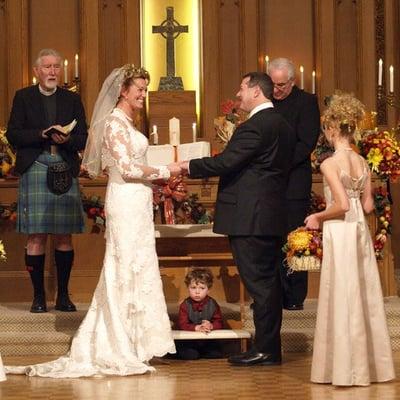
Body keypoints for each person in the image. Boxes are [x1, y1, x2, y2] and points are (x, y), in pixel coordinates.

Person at [5, 64, 178, 378]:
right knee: (123, 266)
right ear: (122, 90)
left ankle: (137, 342)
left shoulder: (128, 122)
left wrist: (156, 182)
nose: (143, 94)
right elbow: (126, 169)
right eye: (138, 88)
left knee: (139, 264)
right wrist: (170, 170)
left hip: (137, 201)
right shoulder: (114, 123)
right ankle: (116, 341)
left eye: (144, 88)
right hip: (124, 200)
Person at [179, 72, 294, 366]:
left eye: (242, 87)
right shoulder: (282, 124)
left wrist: (185, 166)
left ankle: (266, 350)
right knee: (267, 283)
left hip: (250, 217)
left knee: (261, 286)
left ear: (256, 91)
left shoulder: (254, 127)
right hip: (268, 215)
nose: (239, 93)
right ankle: (269, 347)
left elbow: (226, 162)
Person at [305, 92, 395, 386]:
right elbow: (367, 206)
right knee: (363, 293)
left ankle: (345, 370)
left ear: (331, 129)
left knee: (342, 294)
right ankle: (372, 368)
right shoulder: (361, 161)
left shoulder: (330, 164)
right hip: (359, 231)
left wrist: (317, 217)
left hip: (342, 230)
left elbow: (341, 204)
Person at [6, 48, 88, 313]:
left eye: (56, 67)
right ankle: (38, 297)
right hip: (36, 167)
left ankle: (63, 296)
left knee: (64, 237)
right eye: (47, 67)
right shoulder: (23, 97)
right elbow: (14, 135)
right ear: (36, 71)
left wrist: (68, 139)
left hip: (64, 166)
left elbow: (84, 137)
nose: (52, 72)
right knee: (36, 237)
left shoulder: (71, 99)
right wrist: (42, 134)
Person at [268, 57, 320, 310]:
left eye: (281, 85)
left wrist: (277, 163)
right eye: (273, 84)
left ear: (292, 81)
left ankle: (295, 297)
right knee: (269, 241)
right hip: (268, 184)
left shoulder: (306, 102)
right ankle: (271, 296)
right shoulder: (266, 102)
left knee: (295, 240)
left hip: (293, 183)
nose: (277, 90)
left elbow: (306, 142)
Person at [175, 267, 223, 360]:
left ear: (208, 289)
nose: (197, 292)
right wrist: (196, 327)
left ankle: (203, 351)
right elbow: (182, 324)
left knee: (215, 354)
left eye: (202, 288)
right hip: (190, 340)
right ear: (188, 288)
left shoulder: (213, 304)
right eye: (193, 288)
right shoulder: (185, 305)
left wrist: (211, 326)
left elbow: (219, 322)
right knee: (191, 355)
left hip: (207, 339)